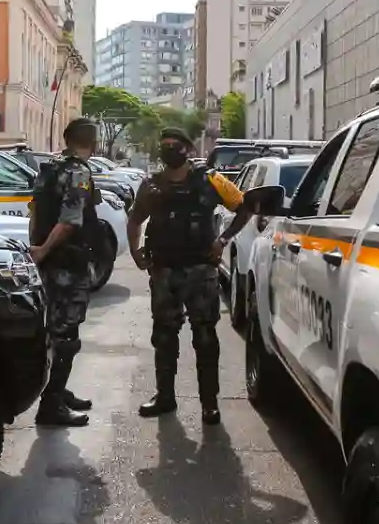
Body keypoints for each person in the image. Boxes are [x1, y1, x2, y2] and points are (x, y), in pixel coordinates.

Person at [126, 127, 255, 425]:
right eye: (165, 145)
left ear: (187, 149)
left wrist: (222, 240)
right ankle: (165, 397)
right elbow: (134, 220)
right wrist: (135, 252)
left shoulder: (210, 180)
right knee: (164, 336)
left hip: (200, 271)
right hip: (164, 271)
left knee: (206, 338)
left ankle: (209, 403)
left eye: (175, 145)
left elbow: (244, 206)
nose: (169, 149)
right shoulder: (151, 185)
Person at [28, 118, 102, 427]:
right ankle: (51, 405)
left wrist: (38, 248)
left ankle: (57, 391)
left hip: (50, 263)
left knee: (54, 331)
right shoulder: (78, 173)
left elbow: (35, 211)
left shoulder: (50, 169)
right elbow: (71, 220)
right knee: (67, 336)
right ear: (93, 144)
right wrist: (45, 249)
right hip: (66, 263)